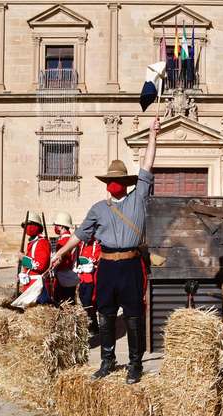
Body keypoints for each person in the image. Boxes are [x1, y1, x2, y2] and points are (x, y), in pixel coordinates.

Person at [51, 118, 161, 385]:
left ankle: (135, 364)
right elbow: (80, 235)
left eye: (119, 180)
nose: (115, 184)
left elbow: (147, 164)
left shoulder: (138, 197)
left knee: (134, 316)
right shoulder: (98, 209)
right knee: (106, 314)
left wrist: (153, 135)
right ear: (107, 183)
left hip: (132, 266)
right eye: (111, 180)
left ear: (125, 182)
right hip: (108, 267)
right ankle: (107, 360)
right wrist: (60, 251)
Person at [18, 212, 51, 294]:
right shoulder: (33, 242)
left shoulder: (42, 242)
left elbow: (40, 265)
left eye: (30, 224)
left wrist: (23, 259)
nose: (28, 227)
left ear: (37, 226)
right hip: (30, 284)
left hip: (37, 285)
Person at [52, 212, 79, 305]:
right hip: (67, 276)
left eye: (57, 225)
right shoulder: (69, 239)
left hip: (63, 276)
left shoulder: (64, 240)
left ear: (62, 226)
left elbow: (62, 261)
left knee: (63, 303)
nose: (55, 227)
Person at [76, 237, 101, 333]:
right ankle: (90, 326)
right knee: (84, 303)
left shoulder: (96, 245)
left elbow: (95, 260)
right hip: (82, 278)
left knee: (89, 304)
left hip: (91, 279)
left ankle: (92, 327)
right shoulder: (82, 244)